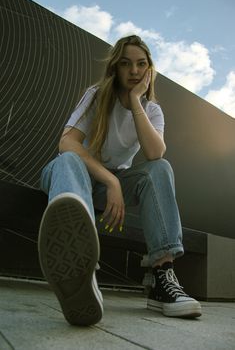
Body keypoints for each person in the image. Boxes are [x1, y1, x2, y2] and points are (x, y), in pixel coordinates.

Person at [38, 35, 202, 326]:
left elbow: (155, 152)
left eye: (141, 64)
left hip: (110, 188)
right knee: (70, 160)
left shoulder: (152, 110)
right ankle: (83, 271)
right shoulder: (97, 95)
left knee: (160, 168)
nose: (134, 71)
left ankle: (163, 277)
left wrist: (137, 100)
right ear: (116, 67)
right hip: (73, 179)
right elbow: (67, 143)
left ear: (149, 70)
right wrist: (110, 182)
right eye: (126, 64)